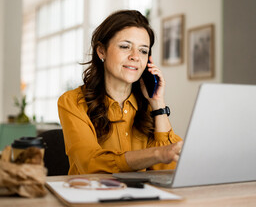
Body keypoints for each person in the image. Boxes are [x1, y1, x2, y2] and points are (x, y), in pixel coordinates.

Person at [58, 10, 183, 175]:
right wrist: (157, 154)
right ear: (101, 51)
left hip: (141, 199)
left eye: (143, 51)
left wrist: (158, 104)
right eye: (125, 47)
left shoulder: (148, 108)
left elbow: (169, 169)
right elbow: (90, 164)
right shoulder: (72, 101)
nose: (135, 56)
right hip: (91, 197)